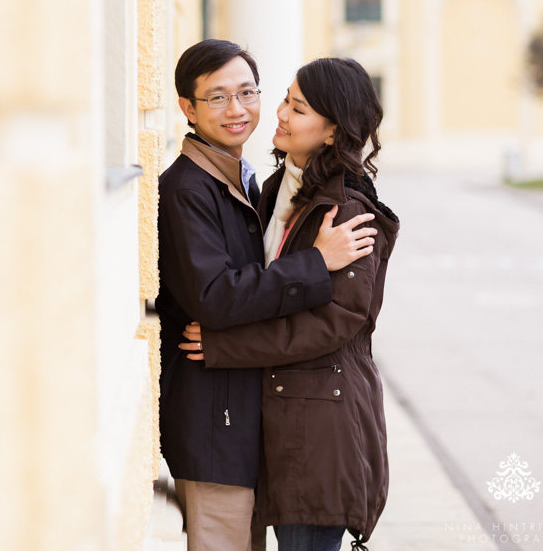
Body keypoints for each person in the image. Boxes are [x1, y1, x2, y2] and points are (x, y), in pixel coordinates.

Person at [157, 41, 379, 551]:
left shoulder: (259, 183)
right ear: (187, 109)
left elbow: (337, 317)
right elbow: (214, 296)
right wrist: (316, 262)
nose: (240, 110)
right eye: (216, 98)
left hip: (258, 420)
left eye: (247, 92)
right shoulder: (191, 188)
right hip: (217, 423)